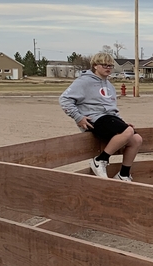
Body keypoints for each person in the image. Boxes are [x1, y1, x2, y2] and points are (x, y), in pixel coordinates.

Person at [59, 52, 143, 181]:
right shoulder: (84, 81)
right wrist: (78, 117)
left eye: (110, 65)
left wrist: (122, 123)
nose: (108, 68)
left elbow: (111, 108)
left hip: (108, 118)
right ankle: (100, 160)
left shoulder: (109, 85)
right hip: (94, 118)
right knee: (128, 131)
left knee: (136, 139)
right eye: (104, 65)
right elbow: (64, 99)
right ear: (95, 66)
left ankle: (123, 174)